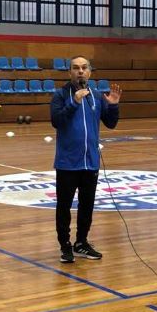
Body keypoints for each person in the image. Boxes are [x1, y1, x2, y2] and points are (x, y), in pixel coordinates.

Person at [50, 56, 121, 263]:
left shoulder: (96, 96)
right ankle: (65, 245)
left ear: (89, 72)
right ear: (69, 72)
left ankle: (82, 242)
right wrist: (74, 102)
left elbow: (111, 123)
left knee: (87, 205)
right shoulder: (60, 95)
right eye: (75, 68)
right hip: (67, 162)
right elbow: (57, 121)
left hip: (90, 162)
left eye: (83, 68)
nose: (80, 71)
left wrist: (113, 106)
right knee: (64, 206)